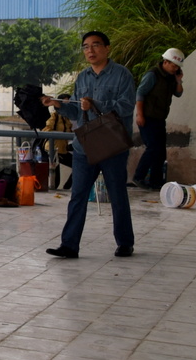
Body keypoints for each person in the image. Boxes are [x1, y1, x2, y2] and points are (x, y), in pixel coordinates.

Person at [41, 30, 137, 259]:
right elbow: (77, 111)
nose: (90, 50)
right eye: (86, 47)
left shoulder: (122, 74)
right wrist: (58, 104)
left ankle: (125, 243)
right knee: (78, 196)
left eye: (95, 45)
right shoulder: (83, 77)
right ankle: (69, 245)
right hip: (84, 146)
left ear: (107, 48)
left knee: (117, 195)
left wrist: (96, 104)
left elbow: (126, 106)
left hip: (112, 145)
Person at [132, 47, 185, 190]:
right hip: (147, 117)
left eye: (177, 67)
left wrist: (179, 81)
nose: (175, 69)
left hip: (160, 118)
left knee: (161, 151)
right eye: (173, 65)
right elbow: (140, 93)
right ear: (165, 62)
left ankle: (155, 181)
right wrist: (139, 114)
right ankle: (138, 176)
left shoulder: (171, 77)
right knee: (153, 148)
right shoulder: (153, 75)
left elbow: (178, 94)